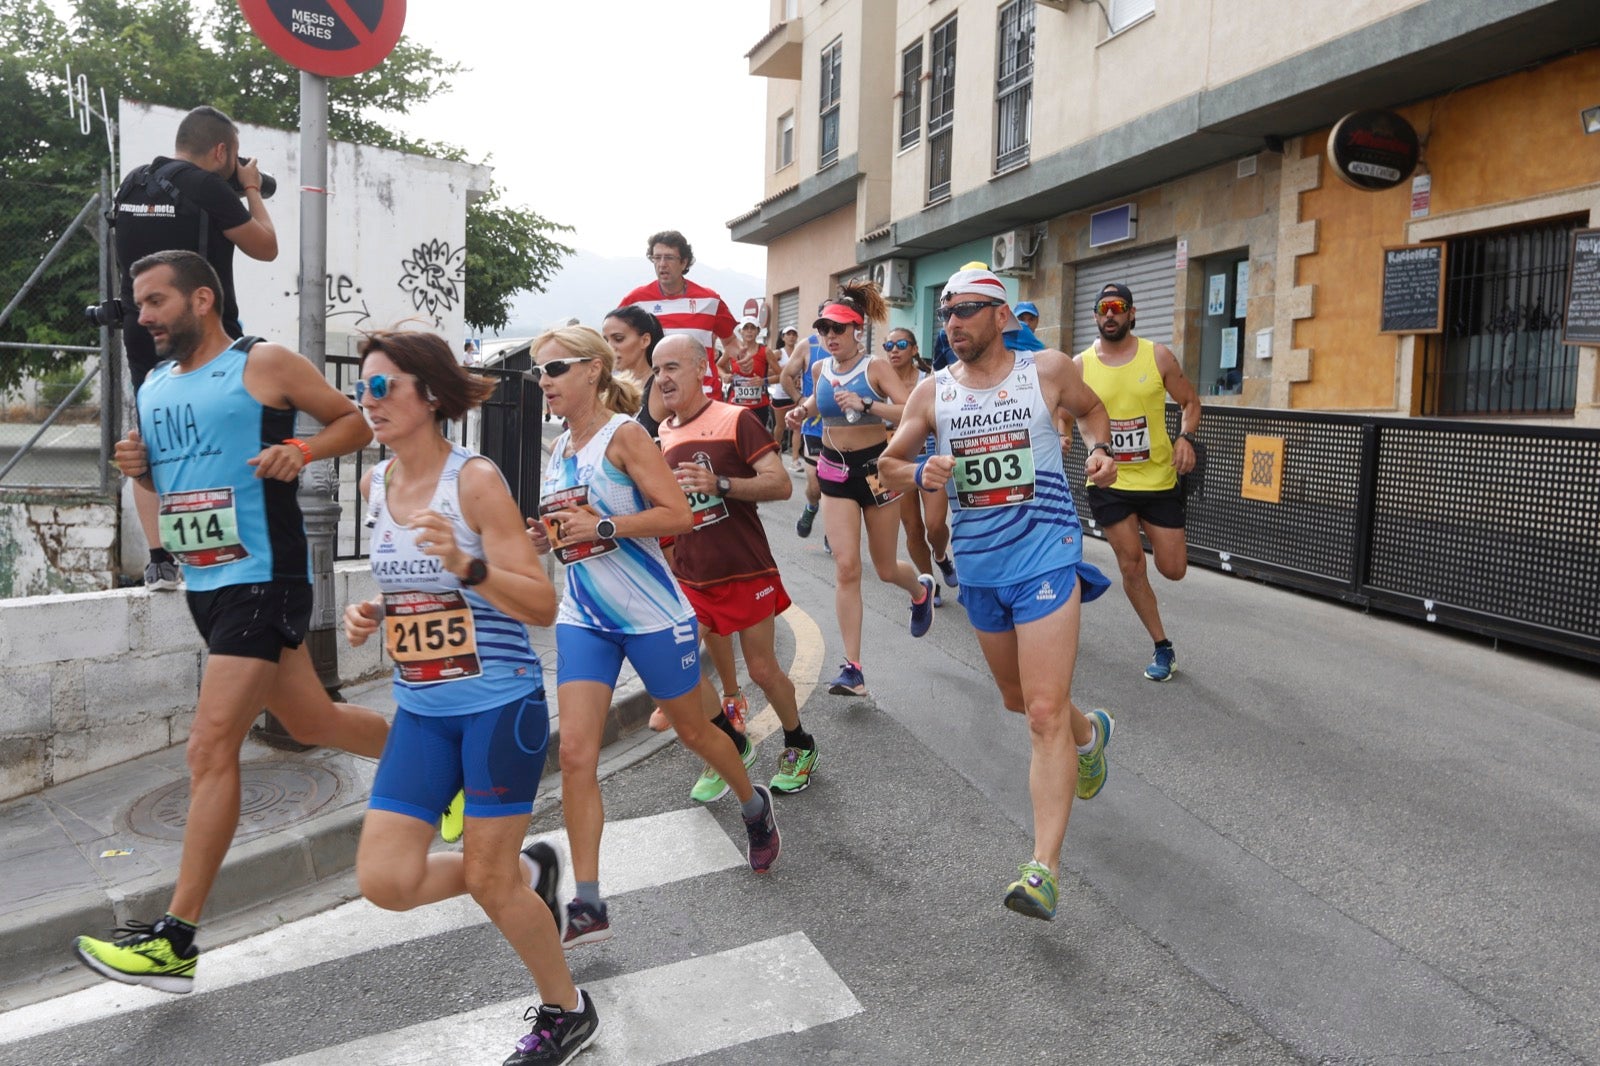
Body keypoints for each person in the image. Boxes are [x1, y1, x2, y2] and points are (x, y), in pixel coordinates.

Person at [76, 250, 387, 992]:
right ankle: (450, 769)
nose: (143, 316)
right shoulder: (153, 385)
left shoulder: (264, 362)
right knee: (313, 722)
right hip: (207, 582)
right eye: (139, 302)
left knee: (210, 745)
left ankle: (176, 939)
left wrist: (300, 448)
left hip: (265, 577)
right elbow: (165, 479)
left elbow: (355, 425)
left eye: (155, 302)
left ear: (203, 300)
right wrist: (138, 468)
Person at [340, 330, 597, 1066]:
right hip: (420, 710)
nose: (370, 400)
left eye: (383, 386)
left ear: (427, 393)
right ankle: (527, 875)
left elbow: (539, 604)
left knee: (485, 876)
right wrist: (376, 614)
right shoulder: (375, 485)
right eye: (364, 388)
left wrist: (466, 562)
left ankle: (567, 1009)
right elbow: (414, 593)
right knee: (386, 882)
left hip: (496, 705)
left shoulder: (474, 481)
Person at [879, 266, 1119, 923]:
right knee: (1022, 701)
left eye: (966, 311)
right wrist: (916, 468)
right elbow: (887, 465)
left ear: (1001, 315)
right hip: (981, 567)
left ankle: (1042, 869)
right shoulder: (931, 393)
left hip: (1047, 553)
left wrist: (1101, 451)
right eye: (946, 313)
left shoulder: (1047, 371)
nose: (952, 323)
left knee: (1042, 711)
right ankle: (1089, 734)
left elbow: (1094, 411)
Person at [529, 326, 780, 948]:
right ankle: (587, 900)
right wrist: (552, 536)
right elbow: (575, 529)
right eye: (540, 371)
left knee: (696, 730)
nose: (545, 381)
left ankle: (753, 804)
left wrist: (605, 523)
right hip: (585, 615)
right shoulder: (559, 446)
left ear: (592, 370)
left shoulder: (627, 435)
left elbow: (678, 515)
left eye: (555, 368)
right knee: (574, 756)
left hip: (649, 616)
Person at [112, 105, 278, 591]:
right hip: (205, 333)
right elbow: (266, 245)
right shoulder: (207, 186)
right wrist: (248, 187)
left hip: (143, 326)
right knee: (227, 432)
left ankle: (161, 560)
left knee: (150, 438)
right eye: (234, 157)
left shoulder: (134, 184)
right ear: (222, 151)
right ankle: (224, 549)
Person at [655, 336, 821, 797]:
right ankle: (729, 742)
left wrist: (721, 482)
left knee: (764, 669)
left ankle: (799, 743)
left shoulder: (736, 419)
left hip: (745, 570)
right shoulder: (662, 433)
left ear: (700, 368)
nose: (663, 378)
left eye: (672, 367)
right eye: (657, 370)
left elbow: (780, 484)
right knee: (675, 662)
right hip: (693, 577)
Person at [600, 307, 748, 734]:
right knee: (700, 608)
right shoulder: (619, 386)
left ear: (645, 340)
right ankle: (724, 702)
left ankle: (711, 703)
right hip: (650, 517)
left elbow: (677, 440)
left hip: (675, 515)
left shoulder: (658, 386)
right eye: (607, 340)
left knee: (694, 610)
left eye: (619, 339)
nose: (613, 349)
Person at [783, 280, 934, 697]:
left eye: (838, 329)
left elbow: (909, 410)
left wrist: (866, 405)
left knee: (884, 568)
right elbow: (818, 401)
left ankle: (920, 591)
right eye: (824, 329)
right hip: (834, 471)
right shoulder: (819, 368)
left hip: (878, 469)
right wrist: (801, 411)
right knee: (847, 567)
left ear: (857, 330)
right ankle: (853, 668)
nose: (830, 337)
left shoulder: (875, 368)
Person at [1075, 282, 1201, 682]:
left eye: (1118, 307)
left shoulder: (1157, 355)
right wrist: (1087, 443)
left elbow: (1190, 402)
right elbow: (1071, 413)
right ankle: (1162, 646)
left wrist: (1186, 437)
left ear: (1131, 313)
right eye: (1102, 307)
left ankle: (1153, 529)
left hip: (1159, 480)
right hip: (1109, 482)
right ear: (1095, 316)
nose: (1109, 314)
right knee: (1131, 565)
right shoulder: (1080, 365)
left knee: (1174, 568)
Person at [619, 230, 746, 403]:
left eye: (669, 258)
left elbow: (730, 342)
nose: (662, 264)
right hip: (654, 398)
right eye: (657, 258)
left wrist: (743, 358)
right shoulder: (635, 301)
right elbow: (616, 342)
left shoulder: (709, 300)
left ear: (684, 262)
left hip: (704, 395)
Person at [881, 327, 957, 605]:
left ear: (914, 349)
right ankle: (929, 582)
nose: (894, 350)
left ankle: (941, 556)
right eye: (888, 346)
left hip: (930, 459)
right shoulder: (878, 384)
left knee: (935, 526)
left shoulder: (931, 382)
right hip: (896, 464)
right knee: (912, 528)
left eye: (901, 344)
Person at [779, 330, 827, 540]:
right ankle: (811, 507)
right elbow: (786, 375)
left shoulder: (855, 349)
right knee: (815, 483)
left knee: (837, 485)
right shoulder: (809, 345)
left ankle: (833, 531)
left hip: (841, 428)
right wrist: (800, 401)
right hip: (815, 424)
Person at [719, 316, 778, 436]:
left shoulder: (765, 351)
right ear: (740, 332)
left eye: (752, 328)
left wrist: (764, 381)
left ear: (758, 331)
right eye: (746, 328)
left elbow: (781, 375)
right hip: (735, 404)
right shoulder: (732, 349)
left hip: (759, 405)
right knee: (736, 438)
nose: (749, 331)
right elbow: (717, 366)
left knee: (757, 440)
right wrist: (725, 375)